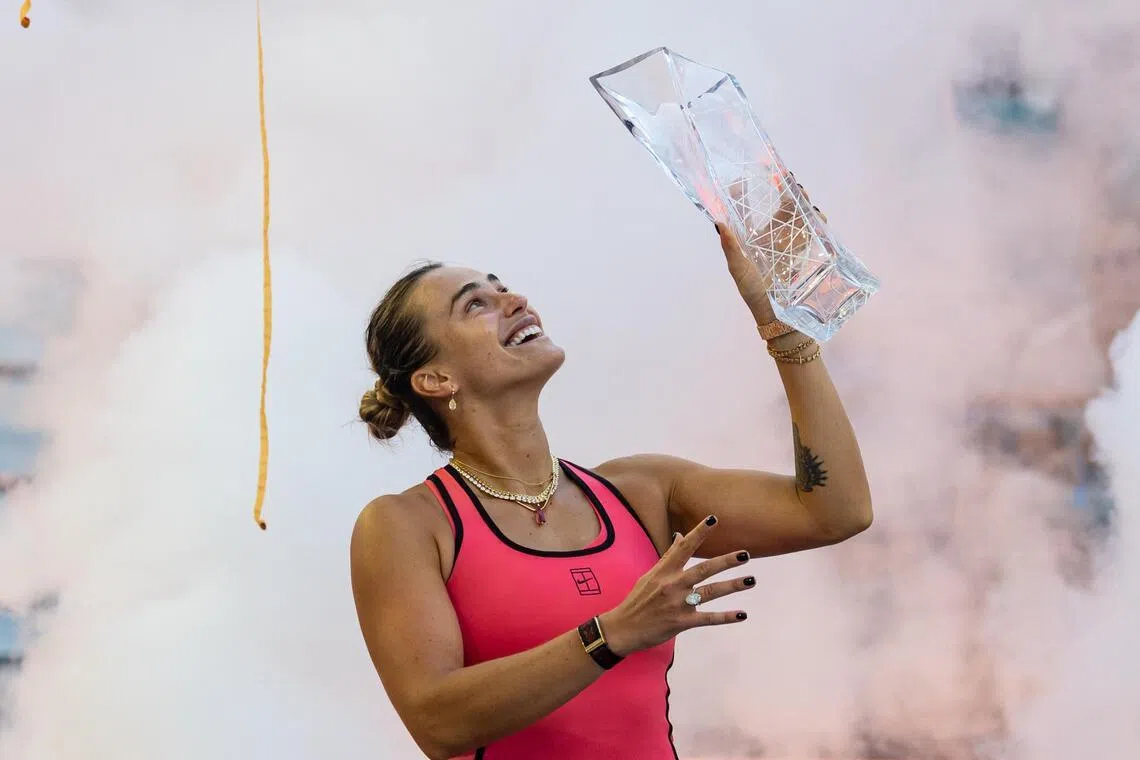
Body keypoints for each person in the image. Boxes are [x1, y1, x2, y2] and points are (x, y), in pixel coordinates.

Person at [350, 194, 873, 760]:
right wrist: (611, 634)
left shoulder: (641, 490)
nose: (514, 299)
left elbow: (834, 511)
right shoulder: (405, 525)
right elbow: (438, 723)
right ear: (434, 378)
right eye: (475, 304)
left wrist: (782, 323)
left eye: (502, 286)